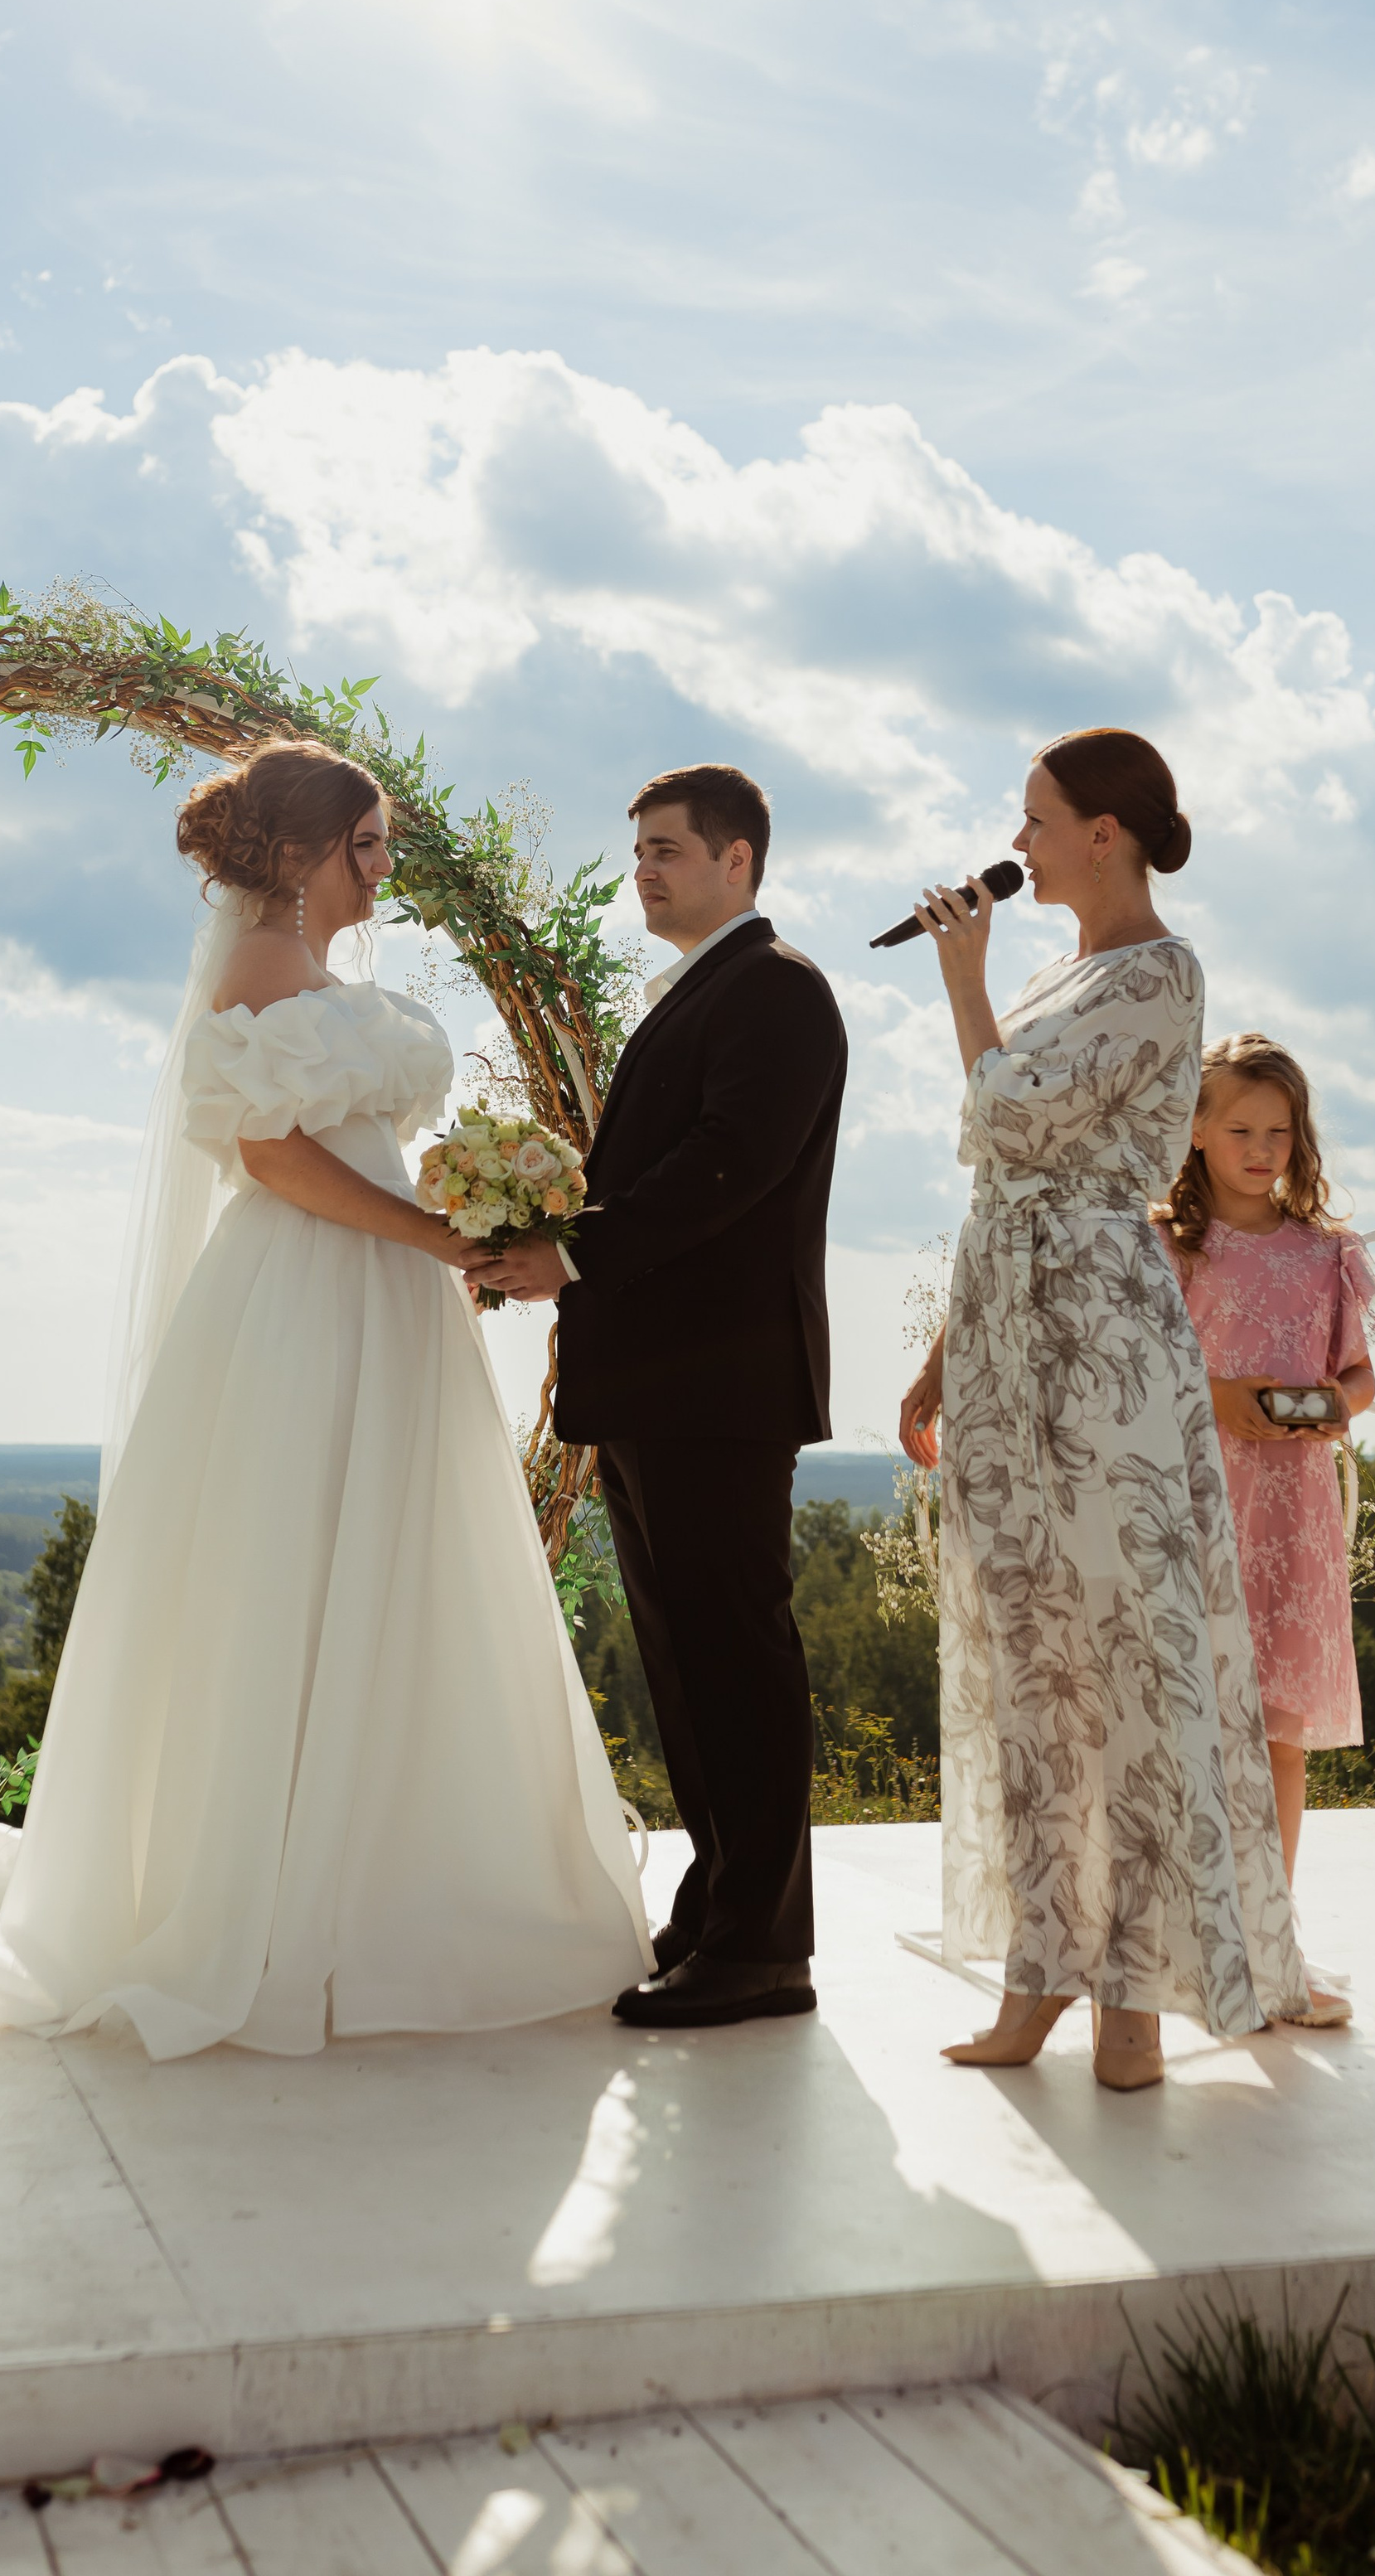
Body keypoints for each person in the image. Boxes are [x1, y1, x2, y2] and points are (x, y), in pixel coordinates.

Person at [0, 740, 649, 2055]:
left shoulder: (315, 975)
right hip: (310, 1296)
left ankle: (387, 1880)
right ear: (303, 851)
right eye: (369, 843)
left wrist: (451, 1218)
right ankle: (289, 1906)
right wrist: (429, 1234)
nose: (383, 867)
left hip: (384, 1298)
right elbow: (270, 1156)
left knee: (397, 1568)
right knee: (292, 1568)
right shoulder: (258, 968)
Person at [898, 727, 1308, 2090]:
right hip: (1009, 1324)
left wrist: (962, 982)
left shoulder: (1161, 970)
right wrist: (942, 1360)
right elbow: (1004, 1172)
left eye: (1035, 818)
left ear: (1105, 832)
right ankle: (1039, 1977)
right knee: (1031, 1654)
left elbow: (1012, 1118)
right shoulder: (1064, 971)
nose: (1014, 842)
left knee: (1129, 1650)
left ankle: (1134, 1996)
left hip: (1101, 1333)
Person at [473, 765, 848, 2030]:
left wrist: (571, 1249)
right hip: (656, 1386)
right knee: (685, 1666)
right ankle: (721, 1909)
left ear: (739, 860)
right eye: (636, 850)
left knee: (734, 1660)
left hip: (720, 1389)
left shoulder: (780, 991)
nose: (645, 870)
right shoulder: (705, 991)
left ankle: (763, 1950)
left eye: (669, 850)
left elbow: (725, 1169)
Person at [1157, 1032, 1375, 2019]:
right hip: (1199, 1504)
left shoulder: (1326, 1251)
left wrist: (1335, 1402)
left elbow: (1357, 1372)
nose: (1260, 1148)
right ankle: (1193, 1935)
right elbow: (1146, 1372)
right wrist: (1222, 1390)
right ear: (1195, 1131)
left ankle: (1271, 1936)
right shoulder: (1168, 1242)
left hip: (1293, 1514)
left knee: (1278, 1732)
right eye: (1239, 1128)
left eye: (1278, 1131)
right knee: (1198, 1727)